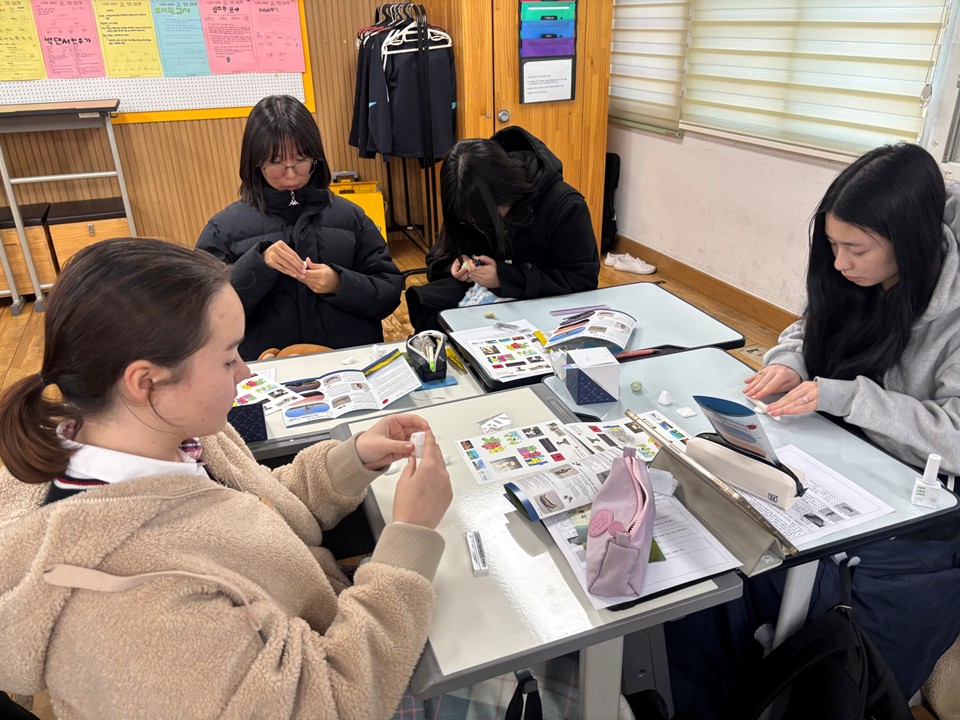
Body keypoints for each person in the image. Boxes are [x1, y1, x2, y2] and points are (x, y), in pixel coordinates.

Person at [0, 238, 452, 719]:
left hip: (334, 618)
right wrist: (410, 537)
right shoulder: (131, 612)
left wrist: (353, 460)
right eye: (228, 356)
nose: (245, 370)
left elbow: (259, 509)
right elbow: (330, 703)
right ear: (146, 381)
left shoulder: (171, 431)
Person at [666, 143, 960, 719]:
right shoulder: (850, 274)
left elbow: (954, 435)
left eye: (856, 249)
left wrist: (847, 396)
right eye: (831, 244)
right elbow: (806, 328)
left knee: (784, 580)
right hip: (838, 452)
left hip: (918, 495)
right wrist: (791, 363)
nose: (840, 262)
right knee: (714, 534)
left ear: (910, 241)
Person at [198, 95, 403, 360]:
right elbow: (203, 315)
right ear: (255, 163)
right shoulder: (223, 230)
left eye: (301, 160)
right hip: (267, 372)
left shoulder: (352, 218)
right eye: (276, 164)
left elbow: (388, 292)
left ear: (316, 158)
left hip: (349, 364)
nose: (291, 174)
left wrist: (339, 283)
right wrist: (258, 265)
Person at [406, 126, 600, 332]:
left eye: (485, 220)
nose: (477, 225)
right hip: (483, 302)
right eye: (469, 221)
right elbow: (437, 257)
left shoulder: (565, 206)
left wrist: (505, 277)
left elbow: (582, 280)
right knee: (429, 304)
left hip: (543, 306)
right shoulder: (465, 199)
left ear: (506, 192)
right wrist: (454, 264)